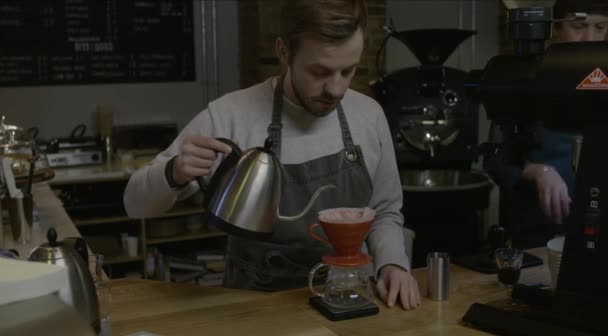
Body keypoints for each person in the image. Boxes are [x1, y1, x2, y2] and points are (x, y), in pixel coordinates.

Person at [124, 0, 420, 310]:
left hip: (348, 298)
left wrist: (393, 265)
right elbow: (134, 205)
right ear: (283, 52)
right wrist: (173, 173)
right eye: (319, 71)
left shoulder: (369, 116)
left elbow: (384, 211)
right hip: (253, 309)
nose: (336, 89)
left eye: (348, 70)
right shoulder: (230, 116)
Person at [484, 3, 608, 249]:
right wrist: (539, 172)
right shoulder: (528, 80)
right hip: (535, 239)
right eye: (579, 26)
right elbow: (494, 159)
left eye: (600, 27)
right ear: (557, 27)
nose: (589, 38)